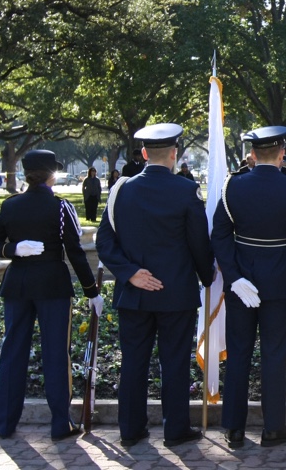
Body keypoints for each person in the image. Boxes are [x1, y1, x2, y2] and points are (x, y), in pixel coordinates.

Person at [95, 123, 215, 448]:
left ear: (145, 153)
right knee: (174, 363)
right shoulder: (186, 191)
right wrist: (209, 278)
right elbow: (199, 244)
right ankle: (176, 430)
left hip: (133, 293)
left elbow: (104, 241)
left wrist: (129, 273)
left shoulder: (121, 189)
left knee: (133, 362)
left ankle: (130, 430)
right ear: (174, 154)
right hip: (176, 293)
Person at [0, 150, 103, 440]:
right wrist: (91, 291)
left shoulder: (11, 206)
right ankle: (61, 423)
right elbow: (75, 252)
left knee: (12, 353)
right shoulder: (61, 207)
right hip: (52, 285)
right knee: (56, 353)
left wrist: (12, 249)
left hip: (19, 283)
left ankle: (5, 423)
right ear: (51, 175)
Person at [211, 126, 286, 449]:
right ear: (283, 153)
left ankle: (233, 429)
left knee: (240, 354)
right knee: (273, 355)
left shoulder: (233, 185)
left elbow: (219, 236)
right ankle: (273, 428)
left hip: (242, 281)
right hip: (281, 282)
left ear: (253, 155)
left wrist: (234, 277)